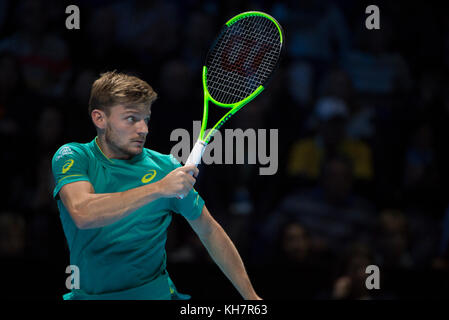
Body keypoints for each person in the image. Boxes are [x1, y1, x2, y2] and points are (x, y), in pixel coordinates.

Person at [51, 71, 261, 300]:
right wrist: (158, 188)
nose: (143, 129)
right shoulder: (74, 156)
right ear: (100, 118)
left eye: (146, 119)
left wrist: (252, 298)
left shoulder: (165, 167)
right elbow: (83, 213)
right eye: (131, 118)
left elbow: (209, 230)